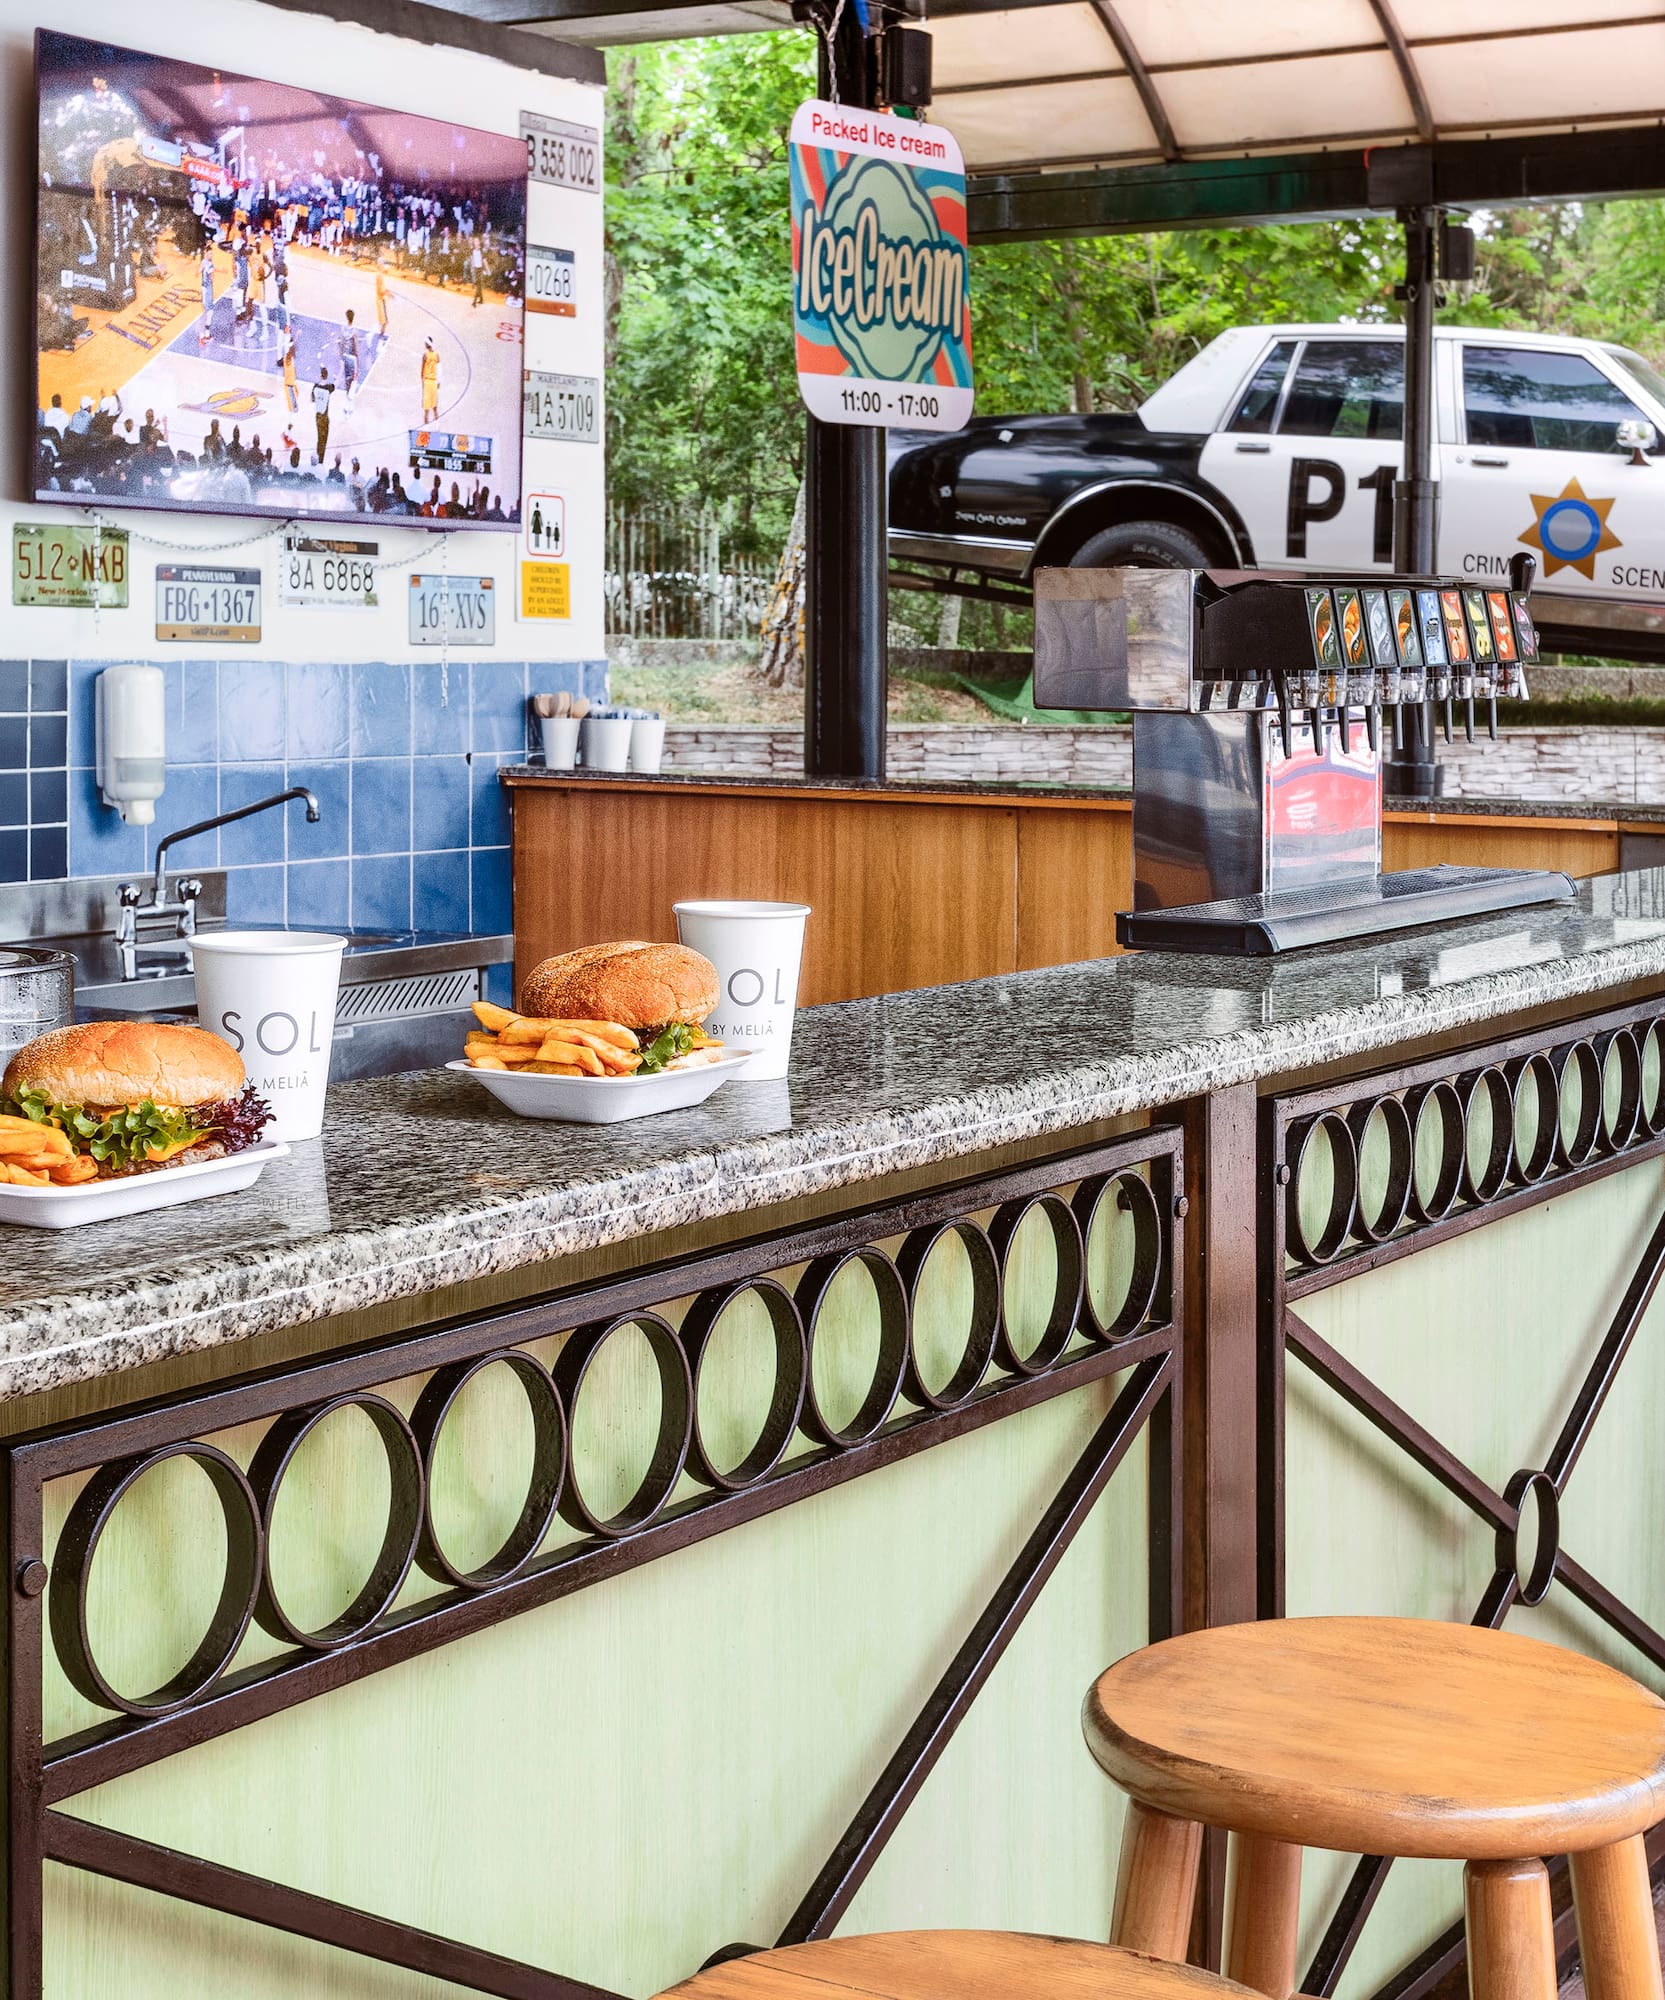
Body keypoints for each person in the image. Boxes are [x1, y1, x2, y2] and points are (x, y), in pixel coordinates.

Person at [312, 367, 335, 463]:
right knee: (323, 440)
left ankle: (318, 457)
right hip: (324, 417)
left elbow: (312, 400)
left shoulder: (315, 387)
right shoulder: (329, 387)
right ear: (327, 376)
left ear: (320, 375)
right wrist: (341, 369)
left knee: (319, 438)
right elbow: (336, 385)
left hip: (317, 416)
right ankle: (320, 460)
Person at [340, 309, 359, 413]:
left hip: (345, 356)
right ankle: (349, 406)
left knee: (347, 380)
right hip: (352, 358)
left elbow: (341, 344)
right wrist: (358, 360)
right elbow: (355, 347)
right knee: (354, 381)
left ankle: (347, 402)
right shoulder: (354, 331)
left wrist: (341, 357)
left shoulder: (343, 329)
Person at [419, 336, 440, 422]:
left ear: (427, 344)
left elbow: (422, 368)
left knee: (426, 405)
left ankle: (425, 422)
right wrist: (439, 382)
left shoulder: (425, 354)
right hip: (434, 381)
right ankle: (437, 420)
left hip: (428, 381)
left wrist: (422, 381)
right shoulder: (437, 355)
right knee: (434, 403)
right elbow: (439, 369)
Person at [281, 337, 298, 413]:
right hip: (289, 383)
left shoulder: (290, 358)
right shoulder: (287, 358)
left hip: (291, 382)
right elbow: (291, 349)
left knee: (295, 397)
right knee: (291, 403)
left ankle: (294, 409)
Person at [375, 267, 390, 341]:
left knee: (385, 321)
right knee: (384, 321)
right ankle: (381, 335)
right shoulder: (379, 278)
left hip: (382, 300)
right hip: (381, 301)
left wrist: (387, 292)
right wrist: (387, 292)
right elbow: (380, 292)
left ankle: (381, 333)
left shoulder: (380, 277)